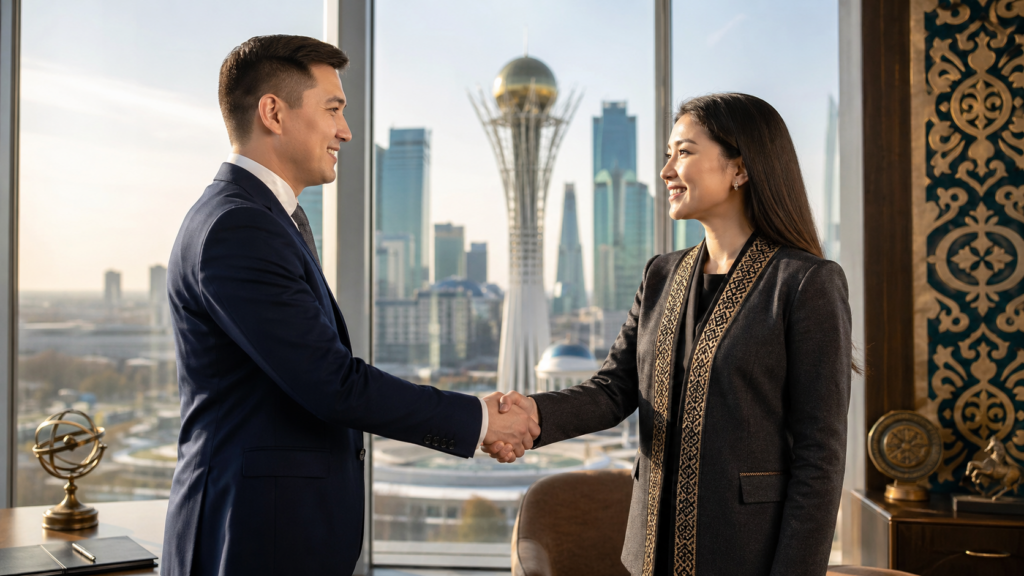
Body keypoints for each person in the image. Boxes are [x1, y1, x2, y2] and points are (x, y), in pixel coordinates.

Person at [162, 35, 538, 576]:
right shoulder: (238, 226)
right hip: (248, 538)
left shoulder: (262, 217)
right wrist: (479, 421)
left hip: (270, 532)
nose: (346, 130)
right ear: (273, 112)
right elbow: (331, 384)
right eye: (333, 109)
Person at [486, 93, 853, 576]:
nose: (666, 171)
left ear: (740, 168)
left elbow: (819, 458)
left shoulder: (805, 283)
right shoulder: (662, 274)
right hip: (648, 552)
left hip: (747, 554)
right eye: (667, 154)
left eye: (684, 152)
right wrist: (533, 413)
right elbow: (613, 390)